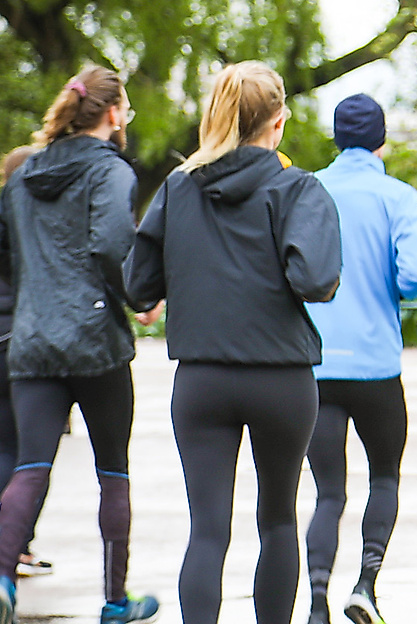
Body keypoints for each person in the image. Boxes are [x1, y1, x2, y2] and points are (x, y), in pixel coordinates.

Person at [124, 61, 342, 624]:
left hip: (202, 381)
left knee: (207, 531)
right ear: (278, 121)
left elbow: (138, 285)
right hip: (281, 380)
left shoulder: (177, 188)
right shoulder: (297, 189)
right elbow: (316, 281)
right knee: (277, 521)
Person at [0, 66, 159, 624]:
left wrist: (38, 293)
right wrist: (138, 297)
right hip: (96, 342)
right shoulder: (111, 172)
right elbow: (110, 244)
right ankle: (115, 600)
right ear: (111, 114)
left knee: (30, 465)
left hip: (31, 341)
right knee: (113, 472)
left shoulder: (26, 173)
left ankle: (4, 582)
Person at [302, 93, 417, 624]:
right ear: (382, 139)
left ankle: (316, 602)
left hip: (314, 366)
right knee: (384, 477)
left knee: (327, 492)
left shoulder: (307, 190)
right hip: (377, 367)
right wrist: (394, 290)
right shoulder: (398, 197)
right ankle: (365, 585)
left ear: (335, 138)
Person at [0, 145, 56, 579]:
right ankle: (18, 547)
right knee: (32, 456)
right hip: (27, 343)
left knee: (7, 448)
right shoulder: (37, 230)